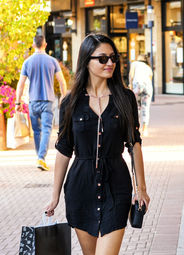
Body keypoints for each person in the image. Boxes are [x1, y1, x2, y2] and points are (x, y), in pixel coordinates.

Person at [46, 34, 150, 255]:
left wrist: (142, 188)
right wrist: (54, 196)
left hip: (117, 187)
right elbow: (64, 150)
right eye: (102, 59)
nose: (110, 63)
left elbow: (134, 144)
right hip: (80, 189)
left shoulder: (125, 98)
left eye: (113, 58)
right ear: (87, 61)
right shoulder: (70, 102)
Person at [15, 35, 67, 171]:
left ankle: (40, 157)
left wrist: (17, 102)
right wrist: (63, 97)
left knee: (37, 131)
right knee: (46, 130)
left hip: (33, 101)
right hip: (48, 101)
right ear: (45, 44)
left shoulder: (27, 62)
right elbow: (62, 81)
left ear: (33, 45)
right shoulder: (52, 61)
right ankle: (41, 158)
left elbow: (20, 84)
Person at [129, 54, 153, 136]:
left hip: (138, 86)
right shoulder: (148, 67)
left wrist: (130, 86)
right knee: (145, 108)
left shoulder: (134, 63)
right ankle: (145, 129)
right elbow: (150, 77)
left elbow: (131, 76)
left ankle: (136, 128)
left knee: (136, 108)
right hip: (147, 87)